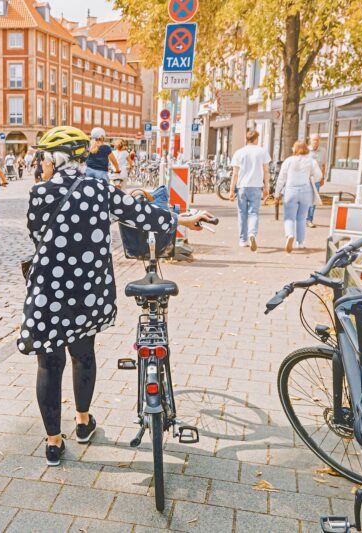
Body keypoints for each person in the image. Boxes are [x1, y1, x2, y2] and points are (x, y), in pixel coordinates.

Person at [20, 125, 213, 466]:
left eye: (43, 157)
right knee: (83, 355)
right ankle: (82, 423)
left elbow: (37, 237)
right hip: (87, 292)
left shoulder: (40, 193)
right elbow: (141, 214)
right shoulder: (99, 189)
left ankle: (53, 443)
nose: (41, 163)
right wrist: (184, 219)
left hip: (49, 293)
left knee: (49, 365)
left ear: (54, 158)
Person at [274, 141, 322, 252]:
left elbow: (281, 179)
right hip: (305, 191)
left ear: (295, 149)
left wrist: (277, 194)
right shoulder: (311, 161)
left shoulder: (289, 161)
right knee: (301, 218)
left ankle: (290, 235)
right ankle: (300, 243)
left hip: (291, 190)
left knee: (289, 217)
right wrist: (311, 176)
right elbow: (319, 176)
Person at [229, 130, 270, 251]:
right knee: (254, 213)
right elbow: (266, 170)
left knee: (242, 213)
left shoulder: (239, 152)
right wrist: (267, 187)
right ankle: (252, 233)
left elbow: (235, 173)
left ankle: (243, 240)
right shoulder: (262, 152)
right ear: (256, 139)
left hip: (242, 187)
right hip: (256, 186)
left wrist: (232, 190)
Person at [306, 134, 327, 228]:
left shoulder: (323, 151)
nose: (316, 142)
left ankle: (309, 219)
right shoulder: (305, 150)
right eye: (314, 140)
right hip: (306, 179)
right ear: (310, 140)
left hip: (317, 180)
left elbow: (323, 166)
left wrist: (323, 178)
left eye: (317, 140)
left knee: (314, 200)